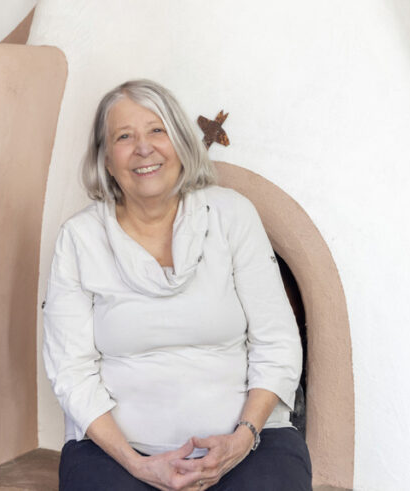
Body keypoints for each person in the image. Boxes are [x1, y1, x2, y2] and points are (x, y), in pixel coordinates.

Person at [42, 79, 310, 491]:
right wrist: (138, 465)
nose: (143, 148)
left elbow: (277, 342)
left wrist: (242, 439)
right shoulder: (80, 239)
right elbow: (70, 370)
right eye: (124, 136)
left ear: (182, 143)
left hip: (250, 441)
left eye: (156, 130)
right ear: (106, 160)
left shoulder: (232, 215)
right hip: (117, 453)